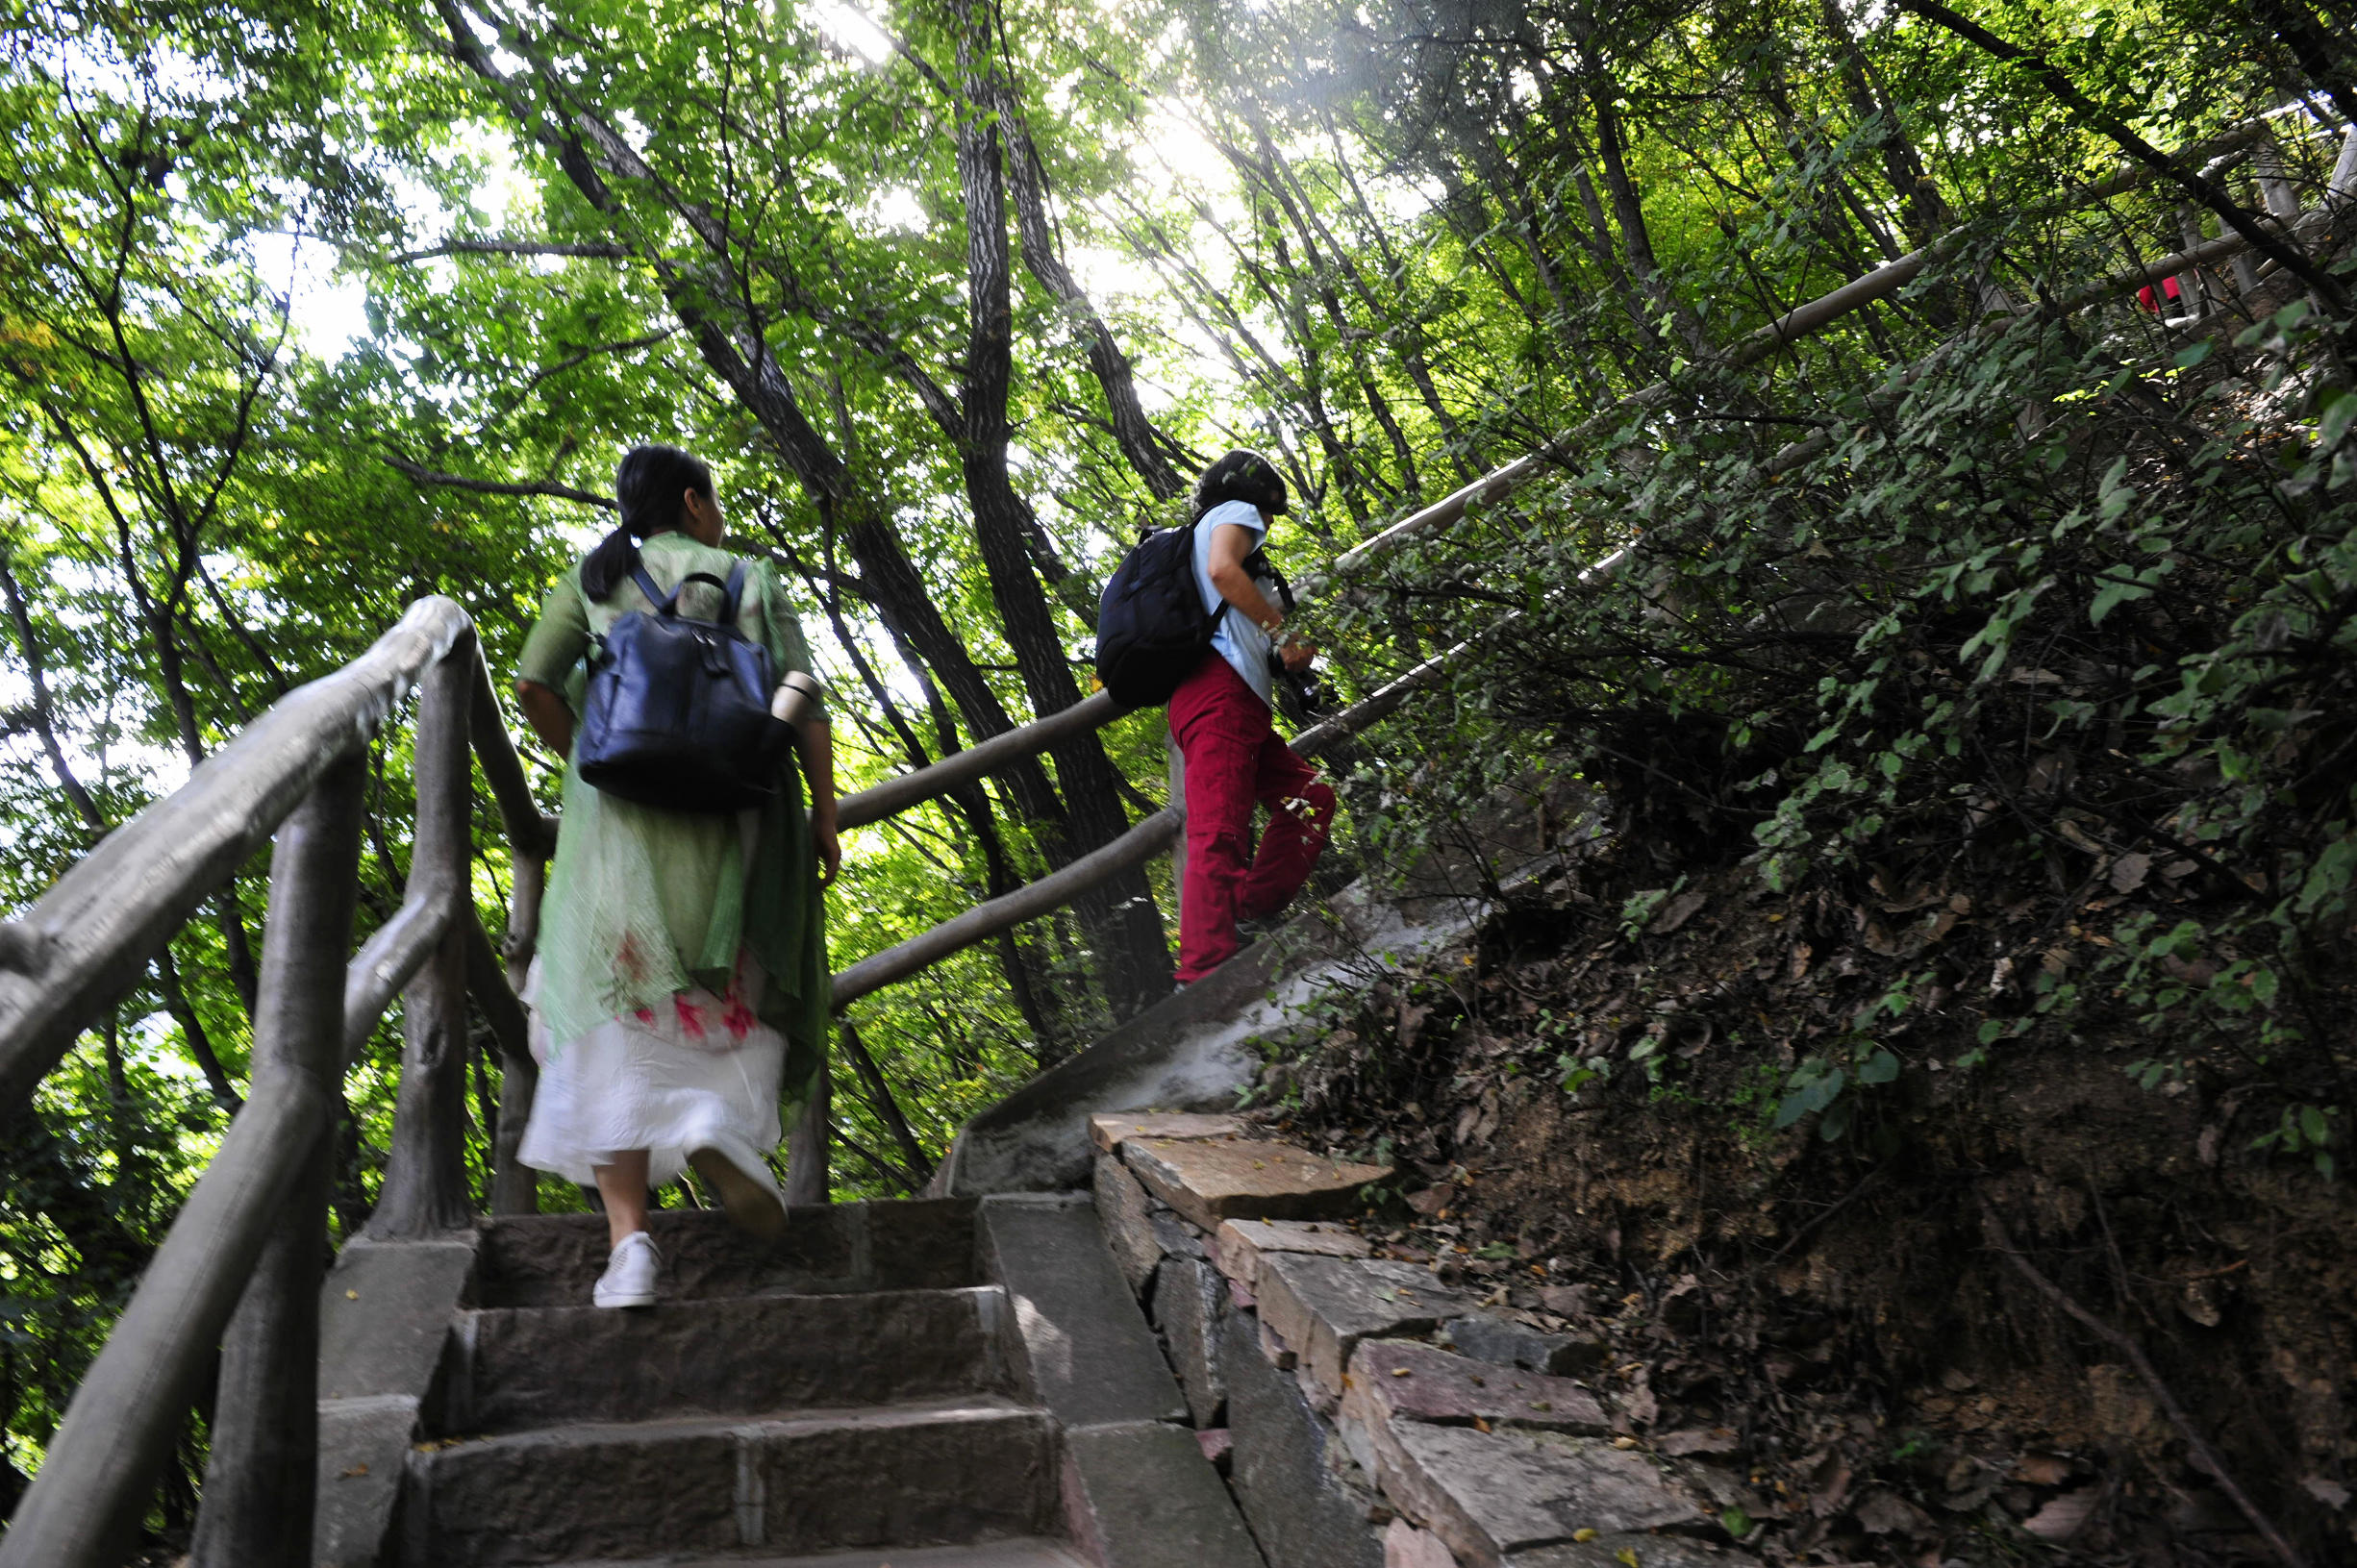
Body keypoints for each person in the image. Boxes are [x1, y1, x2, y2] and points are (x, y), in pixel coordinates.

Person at [512, 444, 840, 1308]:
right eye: (715, 500)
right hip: (736, 831)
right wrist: (824, 814)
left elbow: (533, 682)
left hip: (618, 842)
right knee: (732, 989)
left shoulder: (592, 577)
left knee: (610, 1019)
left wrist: (593, 754)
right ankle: (713, 1129)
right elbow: (804, 698)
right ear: (693, 503)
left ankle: (629, 1251)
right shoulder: (745, 577)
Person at [1168, 450, 1337, 988]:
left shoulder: (1205, 530)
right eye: (1269, 512)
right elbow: (1223, 569)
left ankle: (1241, 906)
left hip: (1236, 703)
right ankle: (1202, 973)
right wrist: (1283, 632)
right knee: (1218, 830)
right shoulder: (1231, 514)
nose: (1266, 525)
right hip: (1219, 694)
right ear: (1252, 497)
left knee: (1309, 800)